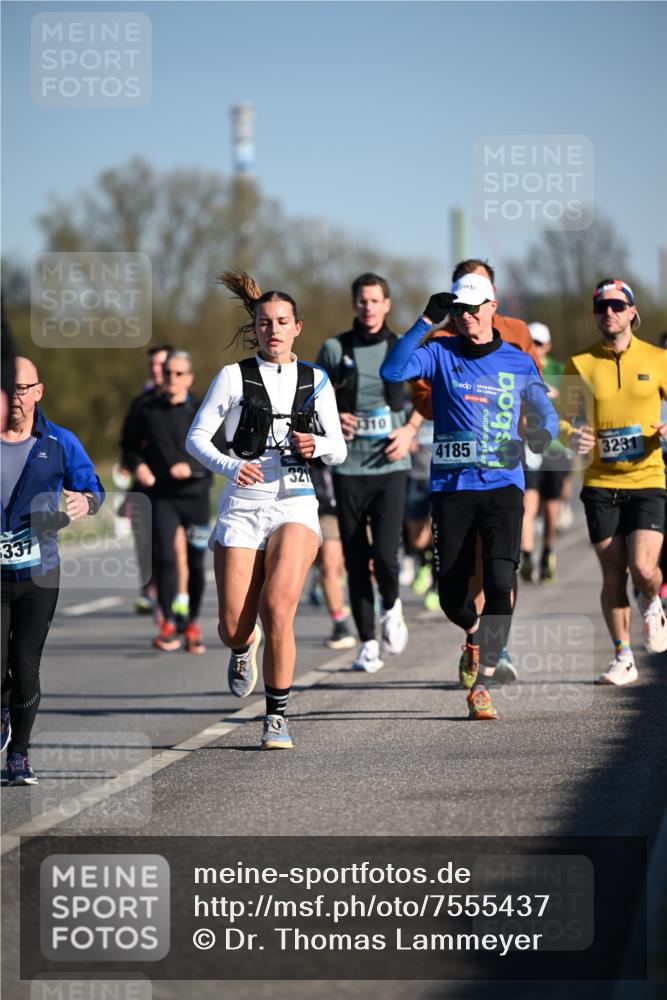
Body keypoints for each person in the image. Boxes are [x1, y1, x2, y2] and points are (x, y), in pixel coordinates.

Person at [381, 273, 558, 720]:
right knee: (452, 599)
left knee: (501, 583)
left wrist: (541, 432)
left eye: (474, 308)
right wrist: (426, 318)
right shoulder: (440, 352)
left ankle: (483, 684)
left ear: (492, 306)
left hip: (503, 487)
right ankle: (474, 636)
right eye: (459, 309)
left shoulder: (518, 360)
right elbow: (393, 370)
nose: (466, 317)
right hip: (451, 489)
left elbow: (545, 411)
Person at [186, 271, 347, 749]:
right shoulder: (233, 377)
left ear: (298, 326)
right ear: (254, 327)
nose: (273, 329)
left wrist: (314, 442)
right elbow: (196, 438)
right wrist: (231, 465)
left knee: (278, 607)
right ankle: (243, 646)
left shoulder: (316, 379)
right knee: (235, 624)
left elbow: (337, 447)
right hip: (243, 504)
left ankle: (276, 716)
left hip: (296, 501)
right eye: (264, 322)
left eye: (282, 321)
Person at [410, 258, 540, 685]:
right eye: (460, 300)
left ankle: (493, 655)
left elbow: (532, 384)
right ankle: (477, 637)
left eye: (476, 298)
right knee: (461, 582)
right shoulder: (439, 339)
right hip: (454, 472)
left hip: (505, 467)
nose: (467, 311)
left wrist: (534, 426)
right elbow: (421, 396)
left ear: (492, 295)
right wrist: (455, 401)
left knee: (501, 573)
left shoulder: (517, 333)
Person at [1, 357, 104, 784]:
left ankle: (19, 755)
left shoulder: (60, 441)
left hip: (39, 573)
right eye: (9, 389)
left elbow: (92, 487)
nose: (16, 398)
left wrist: (86, 503)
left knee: (25, 666)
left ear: (38, 391)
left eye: (24, 389)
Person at [559, 279, 667, 685]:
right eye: (602, 307)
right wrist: (572, 434)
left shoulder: (658, 359)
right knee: (612, 573)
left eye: (618, 306)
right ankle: (622, 656)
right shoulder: (580, 363)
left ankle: (653, 600)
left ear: (632, 312)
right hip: (600, 481)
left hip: (647, 478)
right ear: (595, 314)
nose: (610, 313)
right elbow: (559, 418)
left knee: (642, 567)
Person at [315, 273, 413, 673]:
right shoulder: (336, 348)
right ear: (354, 305)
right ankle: (368, 643)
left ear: (387, 304)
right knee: (354, 560)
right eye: (362, 301)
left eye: (375, 301)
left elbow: (425, 395)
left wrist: (408, 430)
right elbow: (311, 399)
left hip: (391, 464)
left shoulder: (401, 347)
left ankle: (392, 606)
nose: (369, 307)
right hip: (349, 466)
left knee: (385, 557)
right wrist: (334, 418)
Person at [123, 350, 211, 654]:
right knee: (167, 558)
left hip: (196, 495)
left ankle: (193, 622)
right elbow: (129, 447)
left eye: (178, 374)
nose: (170, 378)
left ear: (189, 378)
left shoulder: (203, 408)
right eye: (167, 373)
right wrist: (140, 466)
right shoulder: (147, 409)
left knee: (197, 562)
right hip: (163, 496)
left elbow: (222, 449)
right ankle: (170, 624)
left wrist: (192, 466)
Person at [519, 322, 570, 583]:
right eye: (532, 342)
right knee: (528, 505)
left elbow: (573, 404)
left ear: (548, 346)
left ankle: (547, 550)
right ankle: (527, 555)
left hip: (555, 449)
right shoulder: (519, 366)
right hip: (528, 447)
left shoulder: (559, 370)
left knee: (552, 509)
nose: (536, 348)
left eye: (540, 343)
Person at [310, 463, 356, 649]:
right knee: (328, 565)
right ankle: (340, 625)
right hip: (325, 508)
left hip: (356, 501)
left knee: (362, 565)